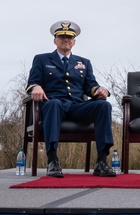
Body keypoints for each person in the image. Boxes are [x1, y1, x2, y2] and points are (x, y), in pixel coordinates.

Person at [25, 21, 116, 178]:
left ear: (74, 42)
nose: (65, 39)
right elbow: (31, 84)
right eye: (61, 37)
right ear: (55, 40)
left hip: (76, 107)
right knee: (54, 104)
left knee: (103, 106)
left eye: (69, 37)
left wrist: (100, 91)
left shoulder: (83, 63)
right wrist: (36, 87)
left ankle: (101, 161)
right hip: (54, 105)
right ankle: (52, 160)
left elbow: (90, 86)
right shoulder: (42, 59)